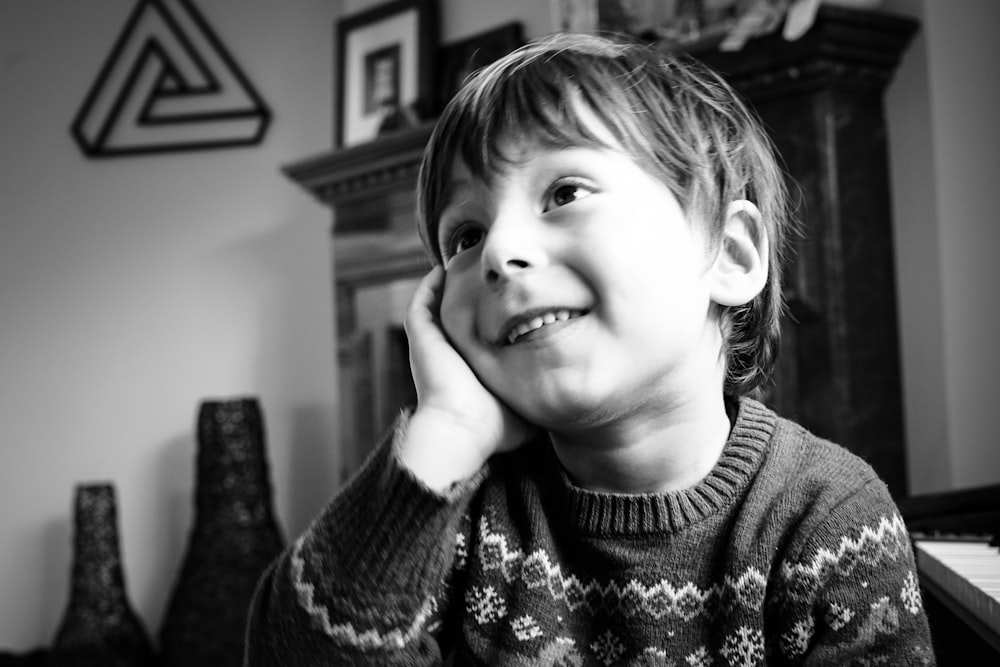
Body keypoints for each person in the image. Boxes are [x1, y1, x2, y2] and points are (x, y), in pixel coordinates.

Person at [244, 32, 936, 666]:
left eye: (565, 191)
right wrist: (447, 430)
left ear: (729, 253)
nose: (501, 252)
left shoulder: (830, 520)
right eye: (464, 236)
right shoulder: (460, 520)